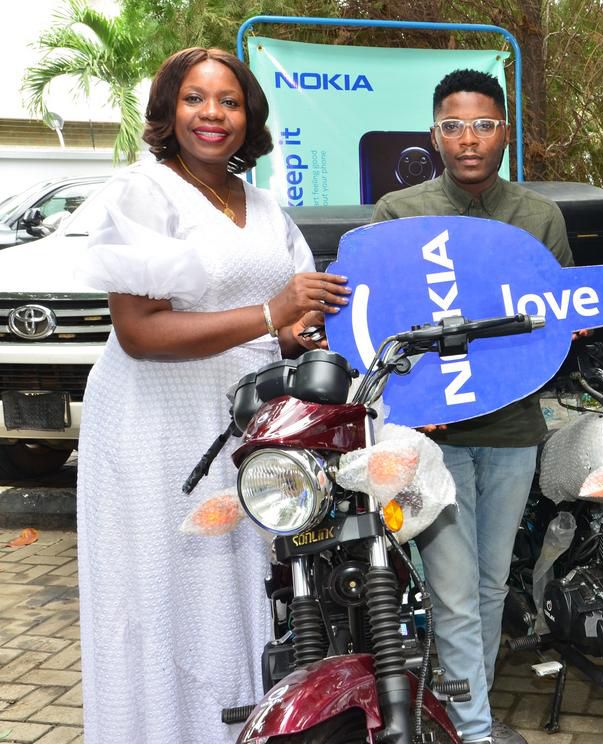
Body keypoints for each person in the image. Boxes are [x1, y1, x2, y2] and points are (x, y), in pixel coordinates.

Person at [75, 47, 349, 743]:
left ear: (248, 115)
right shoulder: (146, 192)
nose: (212, 115)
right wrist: (270, 315)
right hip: (152, 425)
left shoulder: (263, 205)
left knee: (232, 587)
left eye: (228, 101)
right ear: (168, 109)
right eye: (195, 98)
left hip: (236, 425)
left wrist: (297, 337)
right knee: (159, 592)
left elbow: (286, 325)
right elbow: (139, 331)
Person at [370, 69, 573, 744]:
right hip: (436, 435)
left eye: (484, 125)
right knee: (453, 594)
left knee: (489, 587)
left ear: (505, 134)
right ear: (434, 134)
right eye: (453, 126)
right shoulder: (400, 214)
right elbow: (383, 328)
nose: (469, 139)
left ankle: (463, 715)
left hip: (515, 431)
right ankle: (476, 735)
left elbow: (559, 324)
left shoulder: (540, 217)